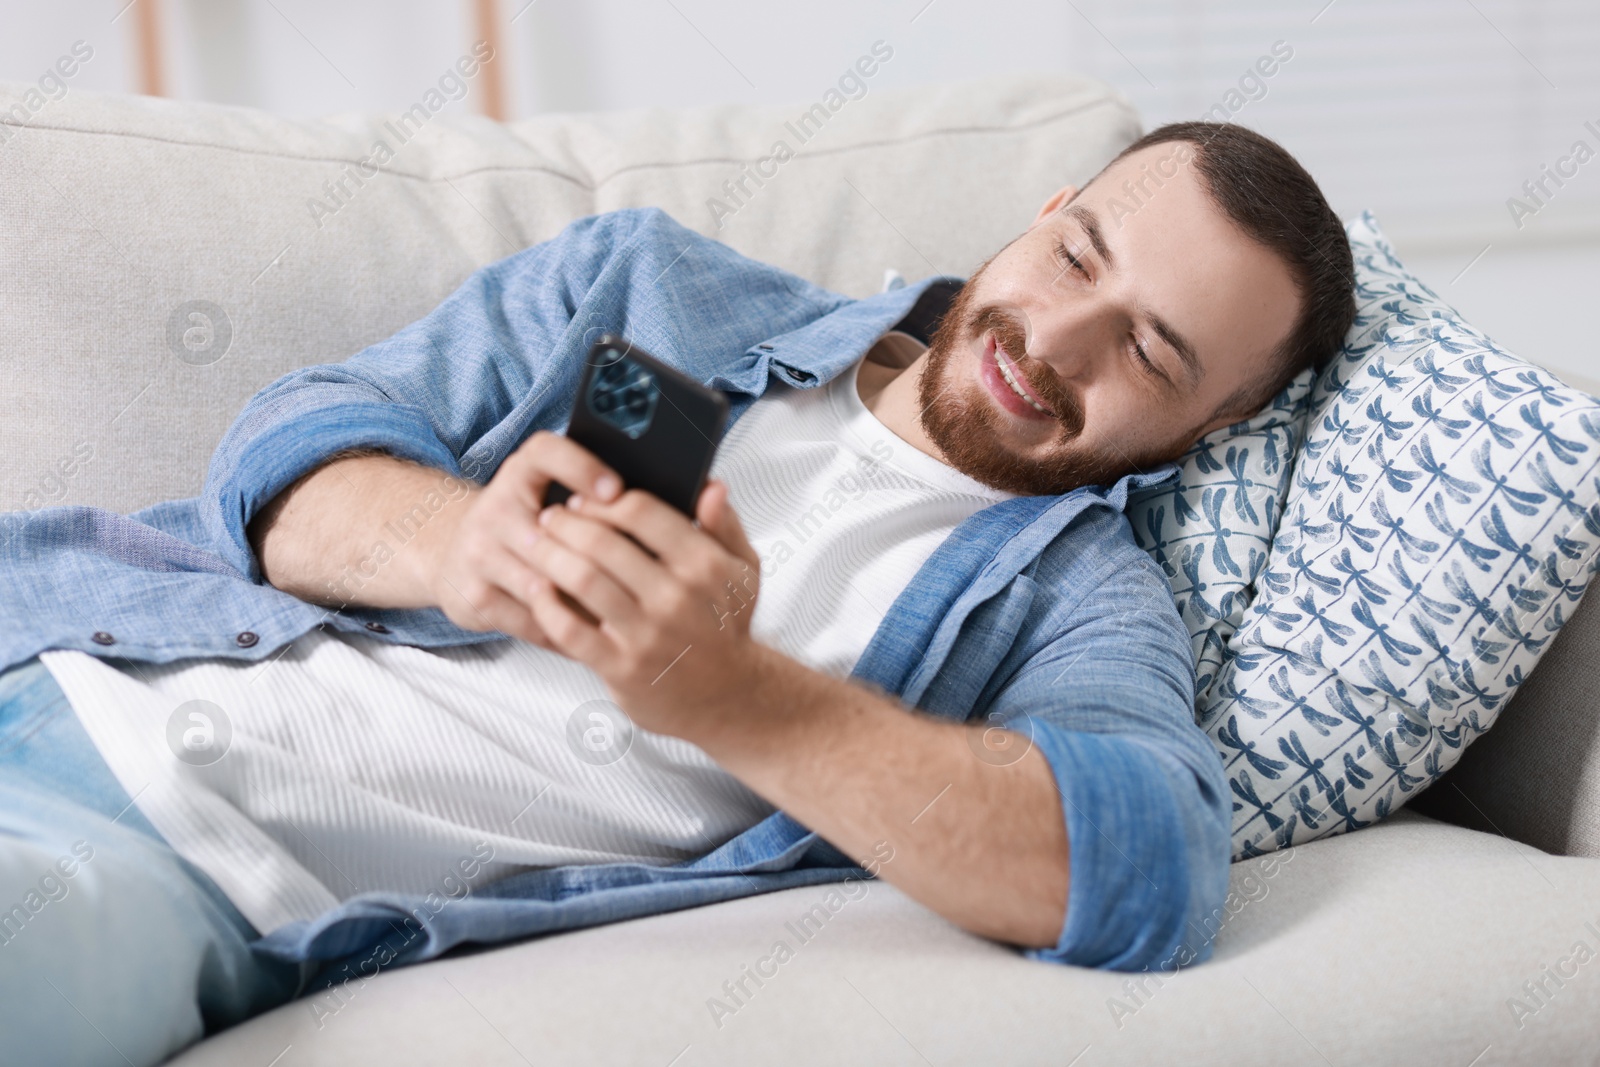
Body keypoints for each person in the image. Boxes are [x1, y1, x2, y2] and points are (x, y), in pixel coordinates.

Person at [0, 121, 1355, 1066]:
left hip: (167, 872)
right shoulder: (653, 287)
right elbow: (299, 437)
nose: (1054, 341)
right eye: (1078, 260)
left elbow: (1144, 871)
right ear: (1046, 215)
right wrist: (458, 544)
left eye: (1152, 353)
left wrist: (731, 694)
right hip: (60, 650)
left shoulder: (1073, 601)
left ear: (1203, 432)